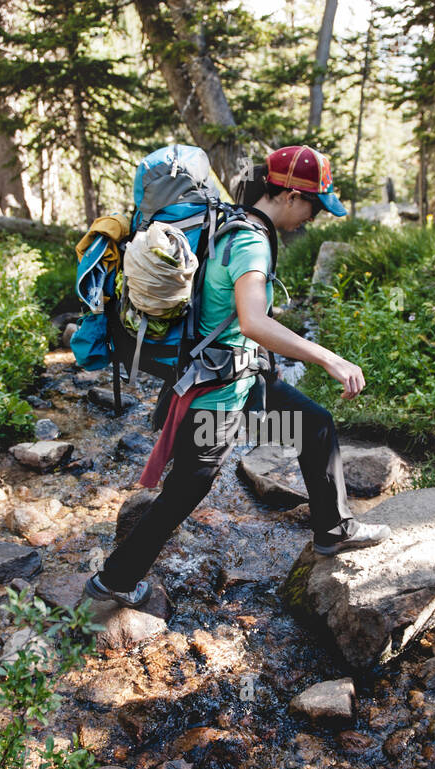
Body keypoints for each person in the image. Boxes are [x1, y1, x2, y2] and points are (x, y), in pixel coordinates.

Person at [84, 144, 391, 609]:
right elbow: (253, 322)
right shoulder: (249, 240)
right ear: (288, 195)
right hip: (218, 392)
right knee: (188, 486)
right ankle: (113, 581)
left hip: (243, 379)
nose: (313, 217)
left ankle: (334, 529)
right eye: (313, 205)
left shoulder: (229, 222)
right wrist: (329, 359)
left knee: (314, 425)